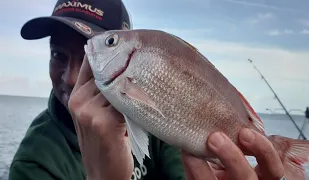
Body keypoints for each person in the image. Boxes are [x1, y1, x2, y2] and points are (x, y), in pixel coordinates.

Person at [9, 0, 285, 180]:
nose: (70, 78)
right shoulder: (34, 160)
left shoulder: (159, 118)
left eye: (87, 54)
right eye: (58, 55)